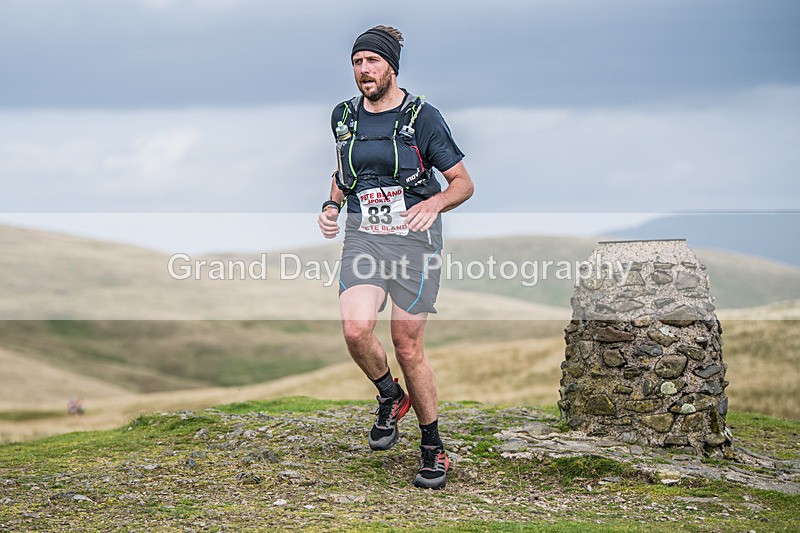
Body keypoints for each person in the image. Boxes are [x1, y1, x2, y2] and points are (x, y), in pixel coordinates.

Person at [317, 25, 474, 489]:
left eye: (372, 62)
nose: (364, 71)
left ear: (391, 67)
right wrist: (330, 206)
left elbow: (462, 182)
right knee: (354, 329)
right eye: (357, 63)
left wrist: (434, 203)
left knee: (407, 347)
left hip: (413, 246)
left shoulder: (422, 117)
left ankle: (433, 448)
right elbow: (344, 174)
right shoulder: (343, 116)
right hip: (364, 238)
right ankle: (390, 396)